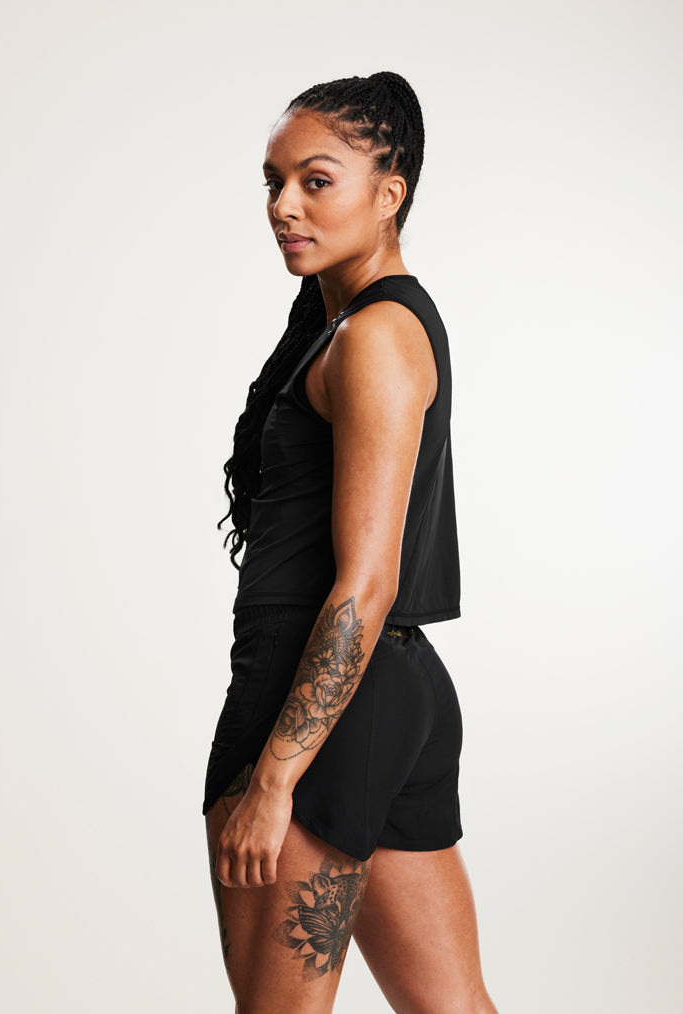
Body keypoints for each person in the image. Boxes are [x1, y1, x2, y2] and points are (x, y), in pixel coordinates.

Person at [202, 71, 498, 1014]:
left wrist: (273, 780)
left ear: (389, 192)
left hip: (320, 702)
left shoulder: (374, 335)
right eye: (273, 182)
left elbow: (366, 582)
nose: (283, 206)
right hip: (397, 693)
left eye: (316, 180)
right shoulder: (348, 326)